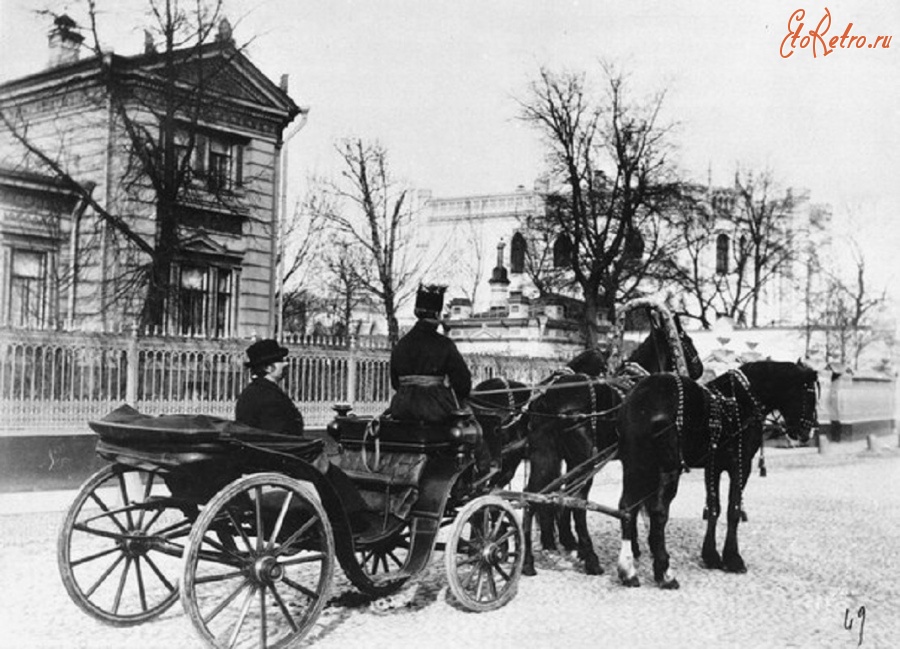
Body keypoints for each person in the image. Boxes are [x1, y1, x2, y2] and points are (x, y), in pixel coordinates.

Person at [235, 338, 368, 523]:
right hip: (279, 461)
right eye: (281, 361)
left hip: (260, 458)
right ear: (268, 368)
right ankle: (353, 522)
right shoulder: (270, 397)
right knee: (333, 475)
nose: (286, 364)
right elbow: (279, 436)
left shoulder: (250, 393)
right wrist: (310, 447)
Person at [389, 284, 472, 421]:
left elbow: (395, 383)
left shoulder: (401, 344)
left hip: (401, 409)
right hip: (435, 409)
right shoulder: (444, 344)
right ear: (437, 315)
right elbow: (463, 384)